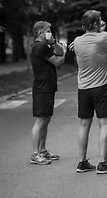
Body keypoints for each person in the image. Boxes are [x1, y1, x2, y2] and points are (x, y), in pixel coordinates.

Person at [69, 10, 107, 174]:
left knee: (84, 125)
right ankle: (103, 163)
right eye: (99, 21)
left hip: (83, 89)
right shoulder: (103, 37)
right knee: (104, 124)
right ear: (95, 24)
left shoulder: (77, 41)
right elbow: (102, 31)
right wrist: (101, 28)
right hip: (100, 87)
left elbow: (77, 44)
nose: (102, 23)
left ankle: (82, 162)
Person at [30, 21, 67, 165]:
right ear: (40, 33)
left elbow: (58, 51)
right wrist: (65, 54)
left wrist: (54, 41)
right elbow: (58, 60)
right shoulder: (40, 46)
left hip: (48, 87)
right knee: (40, 121)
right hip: (42, 88)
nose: (50, 33)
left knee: (46, 119)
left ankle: (43, 151)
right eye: (48, 31)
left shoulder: (46, 45)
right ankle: (35, 154)